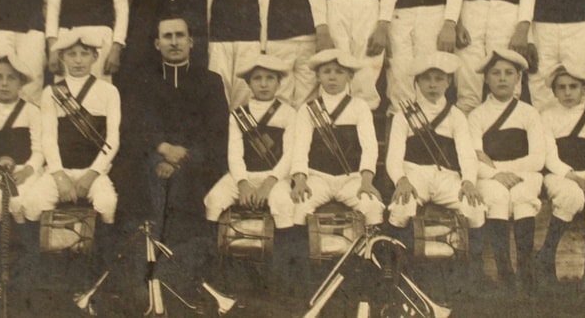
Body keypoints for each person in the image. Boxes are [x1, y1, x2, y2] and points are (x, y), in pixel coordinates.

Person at [115, 16, 228, 290]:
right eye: (167, 36)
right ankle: (145, 267)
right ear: (157, 43)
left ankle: (176, 270)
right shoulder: (142, 81)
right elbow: (132, 127)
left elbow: (216, 132)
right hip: (152, 156)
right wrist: (163, 149)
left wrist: (181, 159)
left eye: (180, 35)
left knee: (182, 184)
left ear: (191, 41)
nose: (174, 42)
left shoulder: (210, 81)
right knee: (149, 177)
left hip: (197, 160)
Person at [25, 29, 120, 267]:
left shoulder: (109, 91)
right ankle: (39, 265)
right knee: (33, 203)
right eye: (72, 54)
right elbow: (48, 138)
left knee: (107, 203)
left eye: (84, 53)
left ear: (95, 57)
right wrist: (59, 176)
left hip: (93, 171)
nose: (78, 60)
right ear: (62, 57)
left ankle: (100, 264)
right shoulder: (51, 92)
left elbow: (113, 140)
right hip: (60, 170)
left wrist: (91, 174)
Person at [386, 52, 485, 260]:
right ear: (417, 82)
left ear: (448, 82)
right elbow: (394, 156)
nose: (433, 85)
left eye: (439, 79)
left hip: (446, 178)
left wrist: (468, 181)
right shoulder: (403, 116)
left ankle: (474, 270)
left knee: (474, 207)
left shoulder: (456, 115)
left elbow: (466, 154)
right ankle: (399, 266)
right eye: (427, 79)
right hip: (414, 174)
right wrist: (401, 180)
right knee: (402, 206)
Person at [203, 55, 297, 274]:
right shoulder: (238, 115)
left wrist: (269, 183)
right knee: (214, 199)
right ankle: (213, 265)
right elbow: (235, 154)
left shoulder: (289, 113)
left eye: (270, 78)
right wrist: (243, 183)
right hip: (243, 175)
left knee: (283, 203)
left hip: (275, 177)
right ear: (248, 83)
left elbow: (289, 155)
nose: (263, 84)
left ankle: (282, 269)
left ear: (279, 82)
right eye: (257, 78)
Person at [468, 49, 545, 290]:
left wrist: (503, 169)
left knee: (523, 196)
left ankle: (526, 269)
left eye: (509, 73)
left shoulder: (529, 113)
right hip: (491, 178)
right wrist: (496, 174)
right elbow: (474, 158)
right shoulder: (476, 116)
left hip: (524, 174)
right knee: (496, 197)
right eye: (495, 73)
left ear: (518, 79)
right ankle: (505, 272)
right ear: (486, 79)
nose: (502, 78)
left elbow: (537, 158)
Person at [290, 49, 385, 233]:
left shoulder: (360, 106)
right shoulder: (308, 109)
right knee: (299, 205)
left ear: (350, 76)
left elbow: (369, 147)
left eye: (339, 72)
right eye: (326, 72)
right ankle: (302, 249)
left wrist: (366, 181)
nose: (332, 77)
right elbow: (300, 147)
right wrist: (300, 181)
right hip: (318, 178)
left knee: (372, 206)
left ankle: (368, 248)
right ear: (318, 76)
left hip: (352, 179)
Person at [536, 65, 585, 287]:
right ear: (554, 92)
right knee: (571, 196)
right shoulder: (547, 117)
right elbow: (550, 157)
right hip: (560, 176)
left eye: (573, 87)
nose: (568, 92)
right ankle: (545, 257)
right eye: (561, 87)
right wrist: (573, 177)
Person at [0, 53, 42, 285]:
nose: (4, 83)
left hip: (25, 171)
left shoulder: (32, 111)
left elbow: (39, 149)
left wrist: (28, 170)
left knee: (23, 202)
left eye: (11, 78)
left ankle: (26, 267)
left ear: (21, 82)